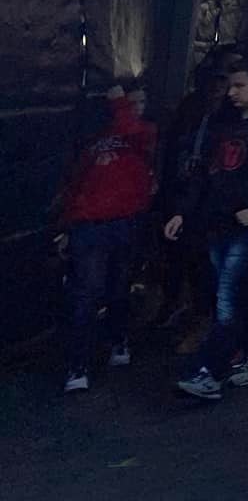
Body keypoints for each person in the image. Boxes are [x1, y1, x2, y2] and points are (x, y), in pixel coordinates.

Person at [164, 57, 248, 401]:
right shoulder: (225, 125)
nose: (233, 93)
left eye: (240, 86)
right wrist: (184, 211)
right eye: (231, 86)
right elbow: (205, 173)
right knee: (242, 291)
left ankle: (209, 370)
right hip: (221, 223)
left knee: (228, 296)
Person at [56, 80, 156, 391]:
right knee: (87, 292)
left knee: (118, 287)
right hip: (91, 224)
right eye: (133, 102)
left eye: (141, 103)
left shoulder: (143, 134)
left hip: (125, 221)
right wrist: (65, 226)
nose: (137, 108)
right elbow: (75, 184)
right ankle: (78, 363)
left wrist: (120, 104)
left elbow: (135, 132)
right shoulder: (93, 139)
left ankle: (117, 339)